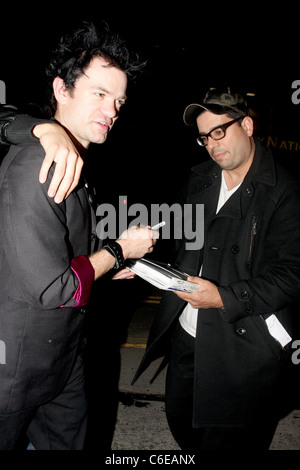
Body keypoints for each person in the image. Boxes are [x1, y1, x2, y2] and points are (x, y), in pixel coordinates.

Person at [0, 21, 158, 450]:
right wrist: (118, 250)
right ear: (61, 89)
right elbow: (54, 287)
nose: (112, 110)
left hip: (63, 360)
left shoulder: (76, 164)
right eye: (100, 94)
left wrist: (110, 267)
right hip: (14, 372)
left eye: (119, 100)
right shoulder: (39, 163)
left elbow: (65, 254)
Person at [133, 87, 300, 450]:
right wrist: (143, 257)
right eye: (205, 137)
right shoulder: (201, 178)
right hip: (188, 335)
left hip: (243, 346)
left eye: (220, 131)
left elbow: (292, 275)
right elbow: (185, 240)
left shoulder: (284, 191)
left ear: (248, 126)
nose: (212, 144)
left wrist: (223, 298)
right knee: (183, 428)